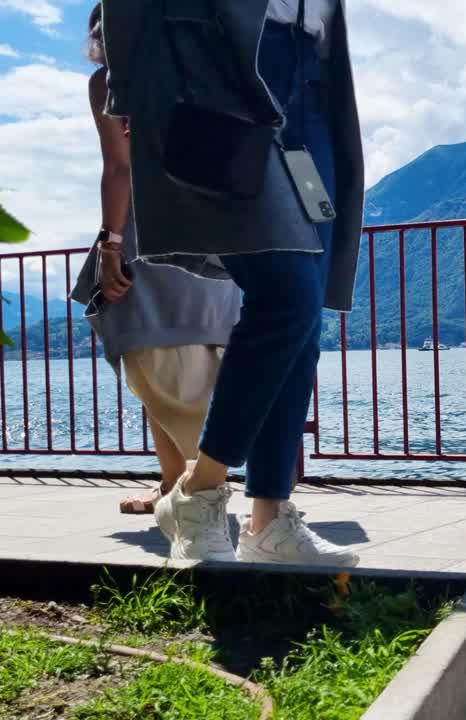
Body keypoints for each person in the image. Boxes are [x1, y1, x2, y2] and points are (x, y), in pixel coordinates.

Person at [99, 0, 363, 565]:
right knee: (286, 295)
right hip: (223, 68)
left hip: (312, 78)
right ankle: (200, 489)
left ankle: (268, 515)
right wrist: (133, 88)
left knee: (305, 313)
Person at [74, 4, 240, 516]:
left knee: (149, 346)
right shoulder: (203, 65)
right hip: (217, 226)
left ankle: (189, 484)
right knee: (201, 349)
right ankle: (181, 482)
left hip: (153, 227)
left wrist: (110, 245)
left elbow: (118, 169)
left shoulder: (109, 82)